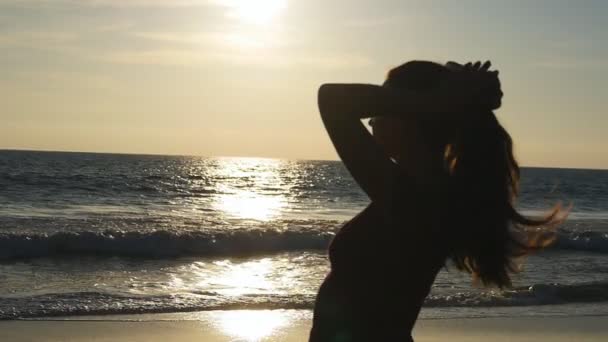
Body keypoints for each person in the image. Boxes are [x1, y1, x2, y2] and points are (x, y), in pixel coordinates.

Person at [309, 60, 566, 341]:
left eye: (381, 110)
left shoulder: (414, 198)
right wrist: (447, 100)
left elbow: (331, 100)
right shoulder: (426, 192)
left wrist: (440, 101)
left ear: (412, 115)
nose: (371, 121)